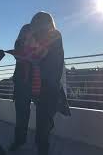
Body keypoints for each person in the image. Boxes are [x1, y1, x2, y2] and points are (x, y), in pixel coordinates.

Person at [8, 12, 71, 155]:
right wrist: (25, 46)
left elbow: (56, 60)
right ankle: (19, 141)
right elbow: (17, 45)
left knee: (43, 117)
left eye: (40, 22)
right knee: (22, 113)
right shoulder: (26, 28)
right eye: (36, 21)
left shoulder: (55, 34)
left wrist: (36, 51)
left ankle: (42, 147)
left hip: (45, 82)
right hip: (23, 80)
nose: (37, 24)